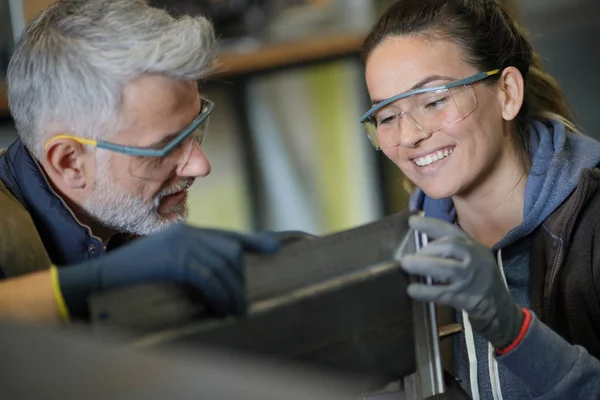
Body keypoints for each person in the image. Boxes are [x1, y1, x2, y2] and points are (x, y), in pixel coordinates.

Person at [360, 0, 600, 398]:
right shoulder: (413, 254)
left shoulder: (591, 226)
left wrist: (513, 330)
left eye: (433, 100)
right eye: (386, 116)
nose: (407, 137)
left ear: (507, 92)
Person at [0, 0, 281, 323]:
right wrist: (90, 283)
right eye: (166, 146)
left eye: (194, 127)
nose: (200, 166)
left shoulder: (122, 219)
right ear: (70, 163)